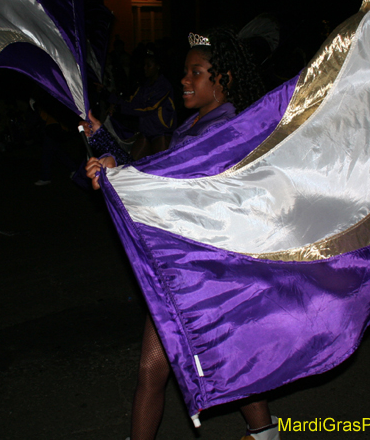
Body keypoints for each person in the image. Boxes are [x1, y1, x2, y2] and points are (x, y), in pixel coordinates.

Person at [83, 29, 279, 440]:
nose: (185, 80)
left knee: (165, 366)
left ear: (222, 78)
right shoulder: (197, 122)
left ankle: (264, 433)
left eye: (196, 72)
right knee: (219, 355)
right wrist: (104, 144)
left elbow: (165, 183)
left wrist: (114, 170)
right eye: (184, 71)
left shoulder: (224, 129)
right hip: (185, 263)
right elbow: (158, 172)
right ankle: (264, 433)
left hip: (202, 269)